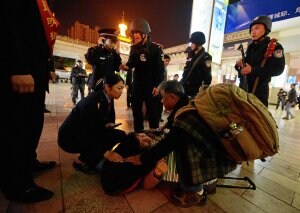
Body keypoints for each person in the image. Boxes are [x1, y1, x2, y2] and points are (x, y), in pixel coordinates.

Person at [125, 80, 236, 208]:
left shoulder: (185, 115)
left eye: (162, 97)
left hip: (209, 159)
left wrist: (141, 158)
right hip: (216, 155)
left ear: (172, 97)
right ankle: (200, 186)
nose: (161, 101)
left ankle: (195, 192)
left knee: (183, 150)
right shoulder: (188, 104)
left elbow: (168, 144)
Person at [0, 0, 59, 202]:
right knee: (17, 126)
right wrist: (17, 67)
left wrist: (48, 67)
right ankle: (16, 184)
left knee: (33, 122)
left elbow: (42, 34)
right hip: (22, 67)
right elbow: (8, 20)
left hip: (36, 67)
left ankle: (28, 162)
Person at [58, 74, 126, 174]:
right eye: (119, 88)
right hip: (70, 138)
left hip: (85, 132)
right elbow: (89, 132)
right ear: (107, 87)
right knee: (102, 139)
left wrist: (106, 125)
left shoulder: (107, 97)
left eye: (122, 89)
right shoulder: (92, 102)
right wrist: (106, 153)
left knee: (120, 135)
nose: (121, 92)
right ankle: (80, 162)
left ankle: (94, 157)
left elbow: (96, 123)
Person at [119, 18, 165, 132]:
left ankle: (154, 133)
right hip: (138, 85)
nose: (135, 35)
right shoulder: (133, 48)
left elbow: (160, 70)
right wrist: (126, 67)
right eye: (133, 33)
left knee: (152, 112)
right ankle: (138, 134)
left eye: (137, 33)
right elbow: (131, 63)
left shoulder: (156, 49)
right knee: (136, 111)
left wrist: (158, 86)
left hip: (152, 86)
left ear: (145, 33)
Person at [235, 15, 285, 107]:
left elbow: (278, 69)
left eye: (257, 28)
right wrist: (239, 66)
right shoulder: (251, 47)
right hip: (243, 90)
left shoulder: (274, 46)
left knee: (259, 120)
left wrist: (253, 70)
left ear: (266, 30)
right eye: (252, 29)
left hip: (259, 93)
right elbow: (245, 68)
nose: (253, 31)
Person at [101, 131, 168, 195]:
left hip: (106, 179)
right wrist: (157, 173)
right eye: (142, 137)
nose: (145, 137)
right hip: (117, 188)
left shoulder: (124, 142)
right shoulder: (144, 159)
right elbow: (146, 186)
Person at [180, 32, 212, 98]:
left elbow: (207, 77)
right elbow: (186, 70)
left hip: (194, 92)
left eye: (192, 43)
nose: (191, 45)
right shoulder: (190, 54)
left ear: (198, 43)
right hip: (184, 88)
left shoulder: (206, 57)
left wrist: (201, 92)